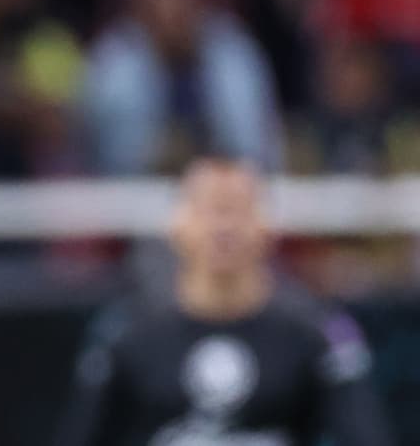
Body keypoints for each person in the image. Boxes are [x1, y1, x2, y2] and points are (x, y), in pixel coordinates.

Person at [56, 158, 394, 446]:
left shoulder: (316, 331)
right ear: (176, 224)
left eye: (238, 210)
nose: (223, 227)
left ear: (267, 226)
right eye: (209, 210)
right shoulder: (126, 334)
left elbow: (365, 435)